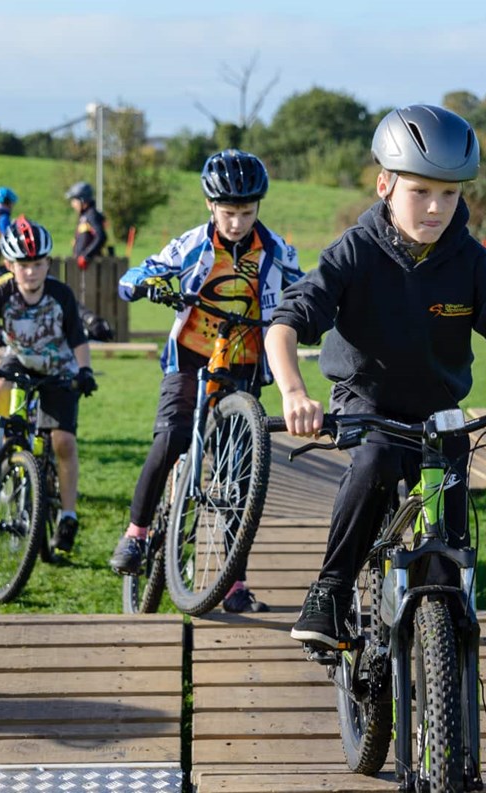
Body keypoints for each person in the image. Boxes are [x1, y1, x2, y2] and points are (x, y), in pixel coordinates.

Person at [265, 105, 486, 649]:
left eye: (451, 194)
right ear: (385, 183)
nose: (437, 207)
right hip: (366, 407)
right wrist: (294, 393)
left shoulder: (471, 263)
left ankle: (442, 659)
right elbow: (286, 324)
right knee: (373, 463)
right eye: (421, 192)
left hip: (440, 419)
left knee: (448, 535)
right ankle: (332, 589)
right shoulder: (354, 253)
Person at [107, 149, 301, 614]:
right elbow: (140, 272)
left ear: (259, 209)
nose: (237, 222)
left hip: (245, 362)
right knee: (172, 435)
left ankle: (234, 583)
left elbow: (308, 287)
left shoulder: (275, 251)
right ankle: (136, 534)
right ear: (211, 207)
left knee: (239, 476)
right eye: (228, 213)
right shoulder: (194, 243)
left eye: (247, 213)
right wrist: (141, 285)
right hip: (191, 357)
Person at [0, 217, 97, 553]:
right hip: (19, 361)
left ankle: (68, 515)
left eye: (37, 264)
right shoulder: (6, 292)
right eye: (23, 265)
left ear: (48, 263)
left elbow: (77, 338)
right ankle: (5, 443)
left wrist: (85, 371)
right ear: (9, 265)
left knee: (63, 442)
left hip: (59, 368)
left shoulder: (61, 295)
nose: (31, 272)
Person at [66, 181, 108, 271]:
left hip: (92, 267)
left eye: (74, 200)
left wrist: (86, 256)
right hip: (84, 267)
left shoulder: (92, 215)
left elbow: (101, 237)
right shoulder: (84, 215)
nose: (72, 204)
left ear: (82, 200)